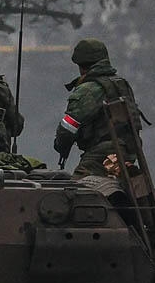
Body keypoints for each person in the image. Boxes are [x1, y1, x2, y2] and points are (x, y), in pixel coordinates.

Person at [54, 39, 142, 179]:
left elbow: (68, 128)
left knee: (73, 192)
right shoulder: (121, 84)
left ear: (80, 64)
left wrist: (61, 147)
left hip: (102, 155)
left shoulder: (88, 90)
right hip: (130, 151)